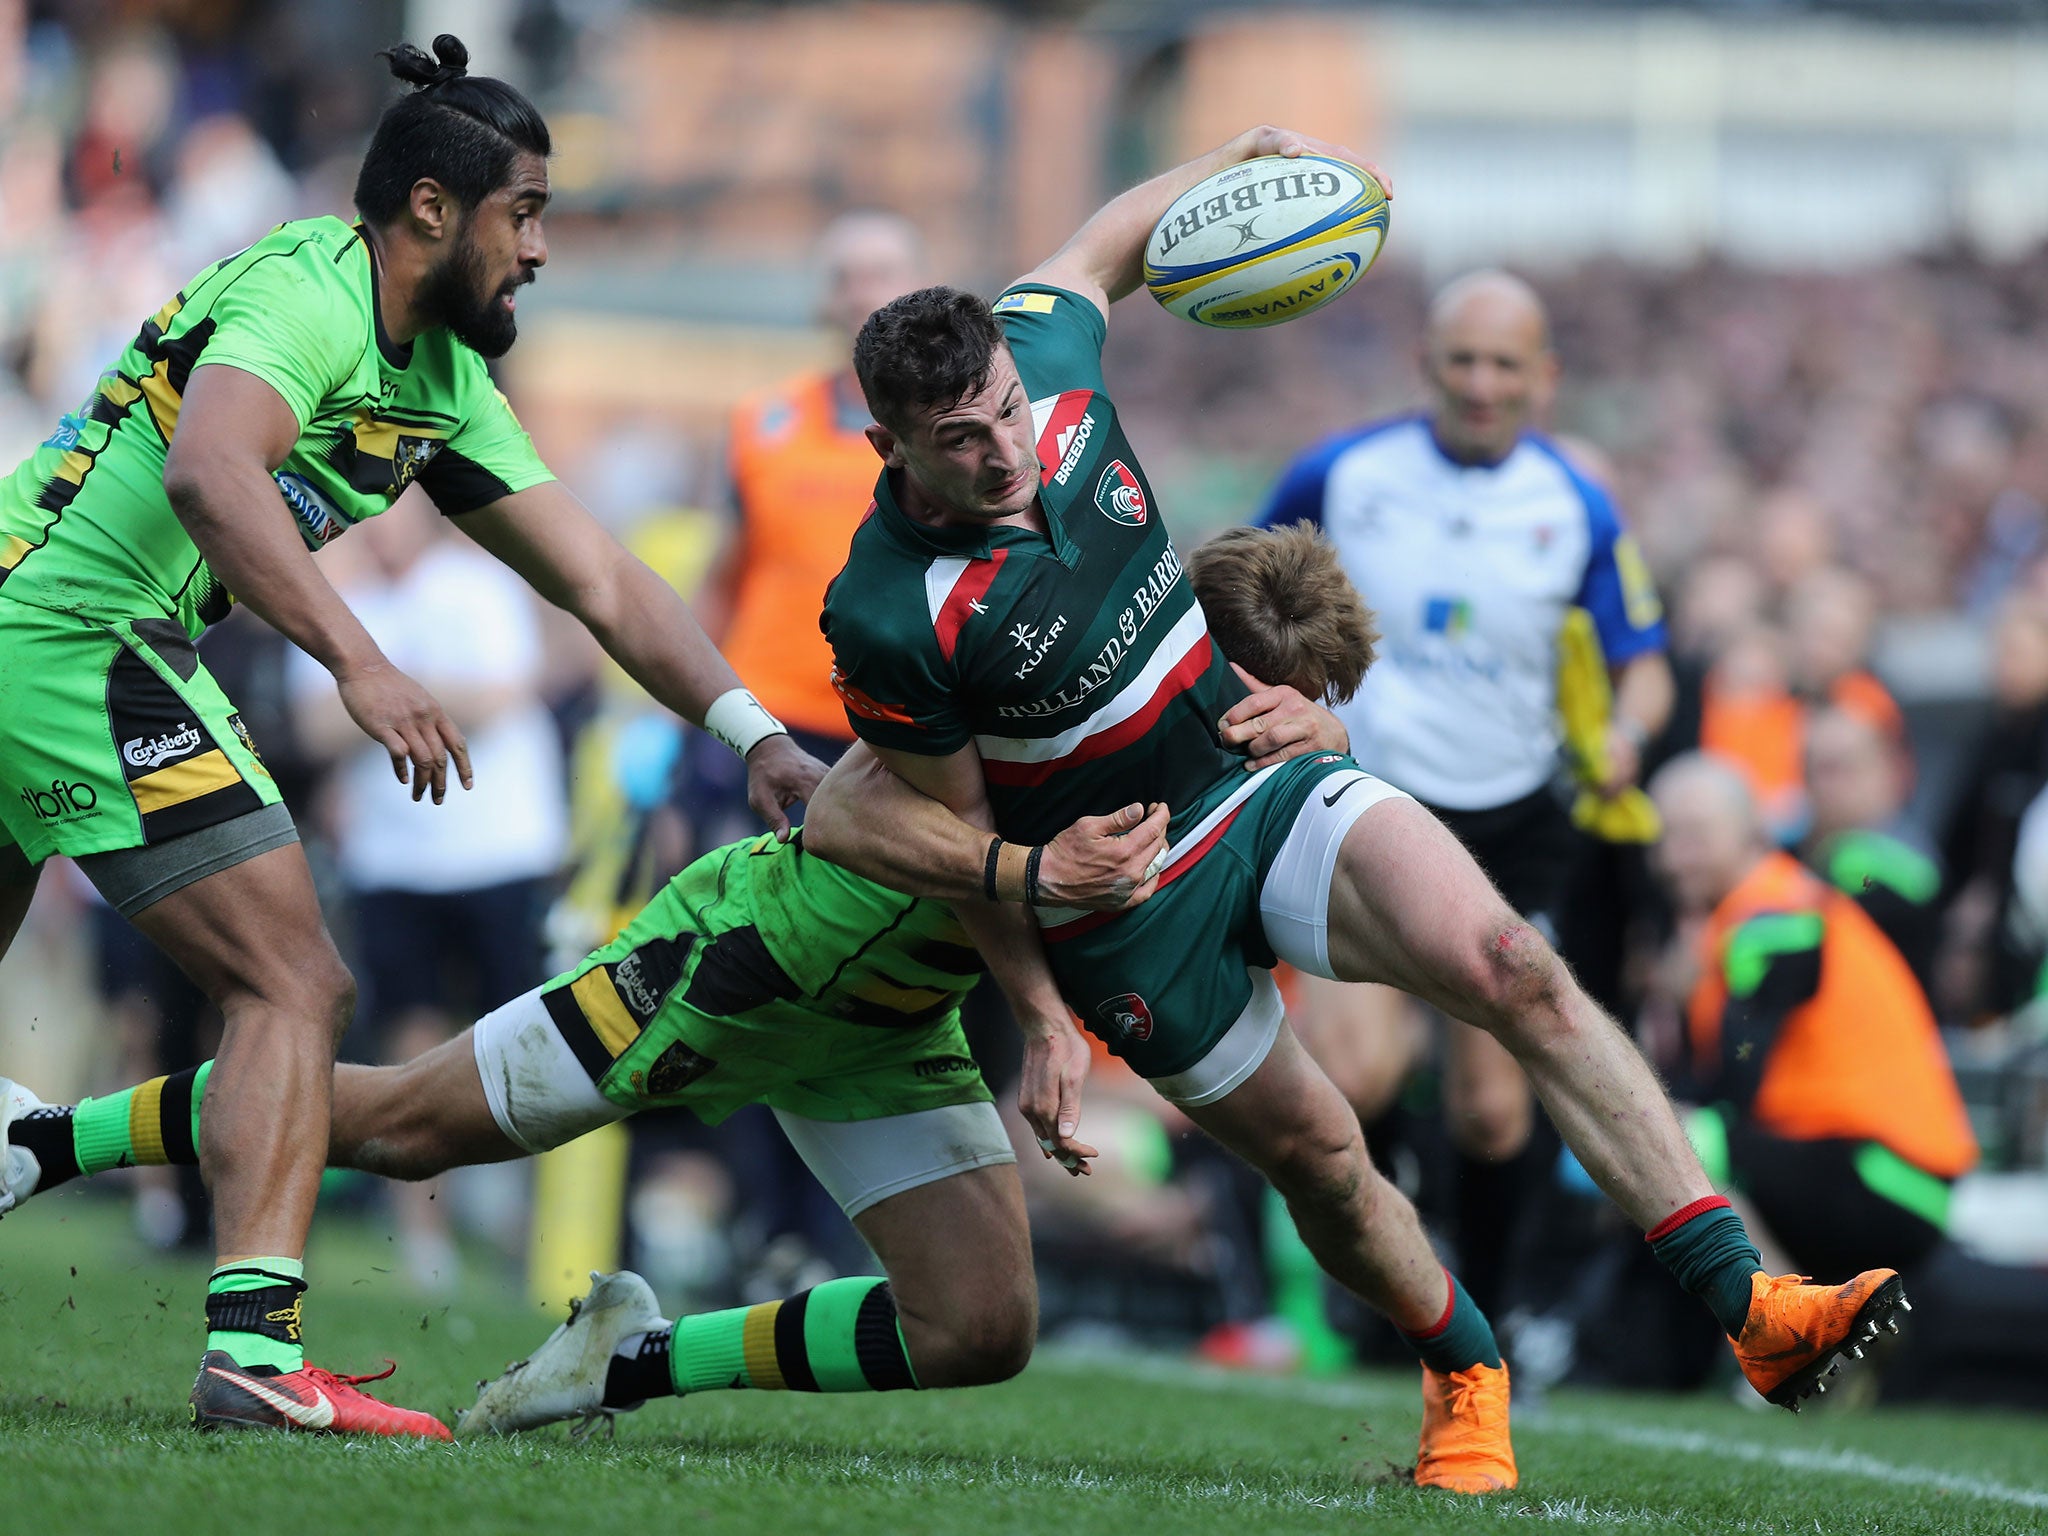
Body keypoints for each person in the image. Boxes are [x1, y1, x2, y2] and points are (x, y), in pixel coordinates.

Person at [805, 126, 1908, 1494]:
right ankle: (1464, 1373)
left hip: (1254, 782)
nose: (999, 454)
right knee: (1326, 1157)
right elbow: (958, 848)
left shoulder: (1049, 360)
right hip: (1124, 912)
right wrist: (1041, 1015)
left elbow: (1111, 241)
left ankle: (1754, 1309)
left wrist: (1230, 163)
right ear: (890, 442)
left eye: (1004, 414)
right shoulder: (884, 612)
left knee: (1517, 969)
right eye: (956, 440)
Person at [0, 528, 1347, 1440]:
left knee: (981, 1324)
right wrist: (1047, 991)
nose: (1285, 741)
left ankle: (623, 1361)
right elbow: (907, 834)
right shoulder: (1045, 695)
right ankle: (45, 1138)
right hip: (741, 963)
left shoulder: (1216, 779)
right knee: (400, 1125)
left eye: (1314, 712)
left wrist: (1344, 739)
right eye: (1283, 703)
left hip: (884, 1029)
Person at [0, 36, 820, 1437]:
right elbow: (209, 471)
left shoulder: (443, 383)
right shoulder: (308, 287)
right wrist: (364, 662)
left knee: (288, 988)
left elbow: (608, 583)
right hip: (79, 630)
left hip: (44, 624)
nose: (544, 248)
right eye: (528, 213)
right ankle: (255, 1354)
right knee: (297, 985)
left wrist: (754, 731)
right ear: (432, 210)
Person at [1255, 269, 1675, 1324]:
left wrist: (1623, 736)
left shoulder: (1572, 504)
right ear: (1424, 366)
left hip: (1510, 821)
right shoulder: (1342, 474)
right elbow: (1240, 593)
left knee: (1493, 1112)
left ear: (1544, 375)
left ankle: (1483, 1320)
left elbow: (1645, 661)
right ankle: (1396, 1283)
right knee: (1353, 1075)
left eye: (1502, 364)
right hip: (1356, 799)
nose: (1480, 384)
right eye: (1461, 361)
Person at [289, 507, 568, 1291]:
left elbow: (507, 689)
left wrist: (378, 687)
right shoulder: (336, 604)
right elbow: (311, 729)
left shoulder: (476, 586)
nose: (377, 528)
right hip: (393, 856)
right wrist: (416, 692)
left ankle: (529, 1226)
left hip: (500, 846)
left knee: (529, 1029)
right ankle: (425, 1233)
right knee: (410, 1036)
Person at [1648, 752, 1975, 1281]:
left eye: (1697, 835)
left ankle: (1790, 1337)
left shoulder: (1775, 915)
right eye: (1665, 838)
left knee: (1676, 1141)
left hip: (1888, 1176)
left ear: (1752, 833)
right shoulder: (1758, 913)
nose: (1675, 857)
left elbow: (1734, 1079)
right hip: (1879, 1170)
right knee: (1685, 1137)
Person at [1801, 704, 1942, 996]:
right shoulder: (1805, 846)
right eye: (1813, 769)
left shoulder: (1881, 862)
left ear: (1890, 770)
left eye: (1841, 768)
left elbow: (1863, 890)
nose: (1824, 785)